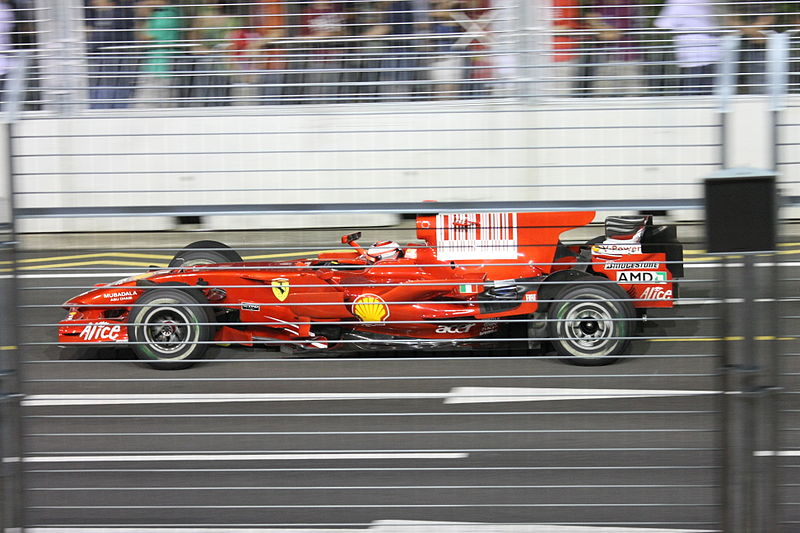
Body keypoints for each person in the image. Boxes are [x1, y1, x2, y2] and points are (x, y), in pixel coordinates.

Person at [654, 0, 722, 95]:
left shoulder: (678, 2)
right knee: (708, 93)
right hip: (713, 51)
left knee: (690, 94)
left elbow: (664, 24)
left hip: (692, 54)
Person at [578, 0, 643, 97]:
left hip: (628, 60)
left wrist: (597, 25)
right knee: (601, 98)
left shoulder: (627, 5)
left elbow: (613, 35)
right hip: (605, 61)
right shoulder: (598, 4)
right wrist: (602, 28)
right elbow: (588, 29)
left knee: (633, 99)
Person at [134, 0, 182, 108]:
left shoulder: (164, 15)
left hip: (160, 70)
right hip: (161, 68)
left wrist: (144, 16)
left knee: (145, 108)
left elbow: (143, 38)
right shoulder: (173, 12)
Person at [726, 0, 775, 95]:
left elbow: (769, 19)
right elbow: (730, 21)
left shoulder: (764, 3)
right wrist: (752, 30)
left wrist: (742, 28)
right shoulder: (739, 3)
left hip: (763, 47)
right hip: (742, 46)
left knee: (760, 87)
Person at [427, 0, 465, 98]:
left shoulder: (454, 15)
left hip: (450, 59)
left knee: (450, 92)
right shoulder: (437, 19)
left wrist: (448, 5)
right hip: (438, 59)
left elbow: (440, 13)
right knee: (439, 92)